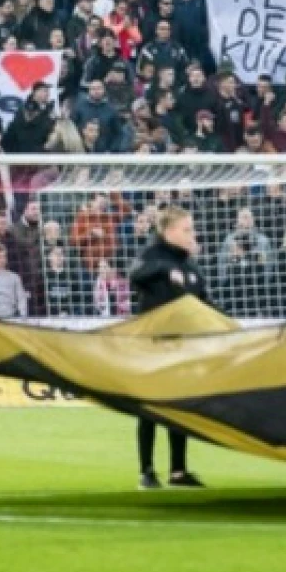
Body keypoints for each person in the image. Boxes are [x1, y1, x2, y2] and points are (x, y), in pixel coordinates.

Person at [127, 205, 209, 490]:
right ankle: (146, 470)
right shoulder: (152, 256)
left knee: (179, 408)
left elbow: (206, 306)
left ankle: (178, 470)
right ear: (169, 231)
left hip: (182, 346)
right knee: (148, 407)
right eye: (187, 229)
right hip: (152, 344)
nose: (192, 234)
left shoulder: (190, 266)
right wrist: (168, 269)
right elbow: (136, 274)